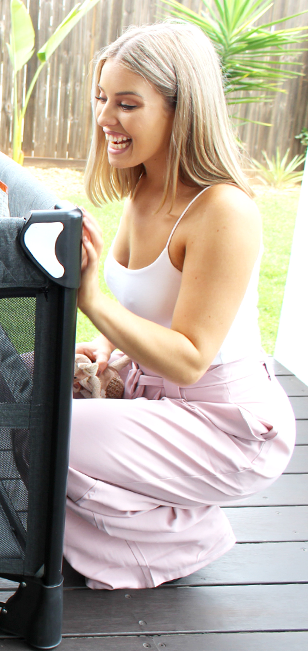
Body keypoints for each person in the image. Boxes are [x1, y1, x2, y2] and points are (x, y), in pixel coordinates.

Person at [67, 22, 295, 589]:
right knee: (21, 387)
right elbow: (140, 304)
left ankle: (181, 538)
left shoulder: (224, 211)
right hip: (153, 392)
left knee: (53, 433)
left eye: (127, 104)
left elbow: (191, 358)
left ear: (181, 111)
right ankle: (133, 525)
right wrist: (101, 347)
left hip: (225, 425)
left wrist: (90, 301)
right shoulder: (143, 189)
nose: (105, 117)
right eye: (101, 98)